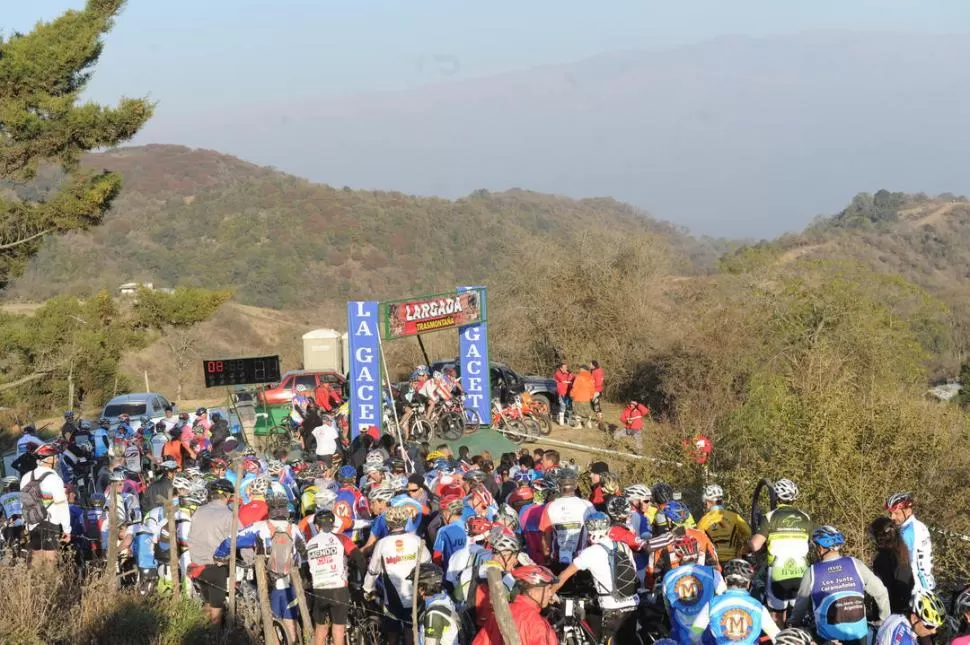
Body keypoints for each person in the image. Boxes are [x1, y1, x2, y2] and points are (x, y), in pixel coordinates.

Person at [215, 494, 306, 644]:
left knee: (270, 621)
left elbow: (231, 541)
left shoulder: (260, 527)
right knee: (290, 620)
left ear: (269, 511)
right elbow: (305, 553)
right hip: (291, 581)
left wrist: (219, 555)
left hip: (268, 581)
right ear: (286, 511)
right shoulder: (294, 529)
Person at [789, 526, 890, 645]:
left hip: (829, 640)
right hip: (859, 636)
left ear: (820, 548)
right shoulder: (855, 564)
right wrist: (884, 620)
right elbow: (881, 591)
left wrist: (794, 623)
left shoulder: (812, 572)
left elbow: (800, 605)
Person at [552, 511, 640, 643]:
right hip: (633, 604)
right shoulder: (624, 546)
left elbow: (564, 576)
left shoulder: (590, 553)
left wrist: (549, 592)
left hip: (612, 608)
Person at [363, 505, 431, 645]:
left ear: (388, 524)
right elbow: (428, 565)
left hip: (392, 597)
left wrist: (367, 588)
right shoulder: (416, 540)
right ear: (406, 522)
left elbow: (373, 570)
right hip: (415, 594)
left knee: (392, 631)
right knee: (410, 629)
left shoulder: (382, 543)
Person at [748, 478, 811, 624]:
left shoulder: (770, 517)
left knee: (777, 618)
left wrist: (748, 542)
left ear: (776, 496)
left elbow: (756, 546)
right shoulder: (805, 517)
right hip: (801, 573)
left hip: (778, 573)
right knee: (798, 617)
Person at [306, 509, 366, 645]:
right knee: (338, 629)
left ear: (317, 526)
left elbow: (305, 567)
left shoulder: (310, 543)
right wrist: (364, 579)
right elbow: (359, 558)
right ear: (333, 524)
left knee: (321, 628)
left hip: (319, 588)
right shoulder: (341, 538)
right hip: (339, 588)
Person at [691, 559, 779, 645]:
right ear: (748, 584)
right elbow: (776, 636)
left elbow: (694, 635)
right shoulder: (758, 607)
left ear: (725, 581)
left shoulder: (712, 604)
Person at [661, 533, 727, 644]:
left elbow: (667, 605)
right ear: (697, 552)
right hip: (707, 626)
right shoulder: (712, 572)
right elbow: (724, 598)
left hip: (681, 626)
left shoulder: (668, 576)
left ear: (677, 555)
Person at [186, 478, 235, 626]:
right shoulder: (228, 515)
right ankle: (216, 637)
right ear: (227, 496)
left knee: (207, 601)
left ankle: (203, 635)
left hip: (197, 565)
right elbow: (239, 538)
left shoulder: (198, 511)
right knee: (216, 609)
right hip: (216, 567)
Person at [472, 564, 559, 645]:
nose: (551, 594)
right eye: (548, 589)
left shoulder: (499, 613)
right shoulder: (538, 624)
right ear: (532, 591)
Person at [21, 441, 71, 567]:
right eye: (55, 457)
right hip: (50, 522)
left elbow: (23, 502)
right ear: (48, 459)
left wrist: (26, 524)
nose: (57, 460)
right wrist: (67, 529)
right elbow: (62, 505)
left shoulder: (26, 477)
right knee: (50, 561)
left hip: (32, 522)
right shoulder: (54, 478)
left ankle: (34, 584)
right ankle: (49, 584)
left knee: (36, 559)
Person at [538, 469, 594, 572]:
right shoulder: (588, 505)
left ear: (559, 486)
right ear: (576, 485)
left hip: (557, 559)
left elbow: (545, 536)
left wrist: (546, 556)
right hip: (583, 559)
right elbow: (594, 533)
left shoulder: (550, 506)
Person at [885, 492, 934, 592]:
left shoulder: (906, 532)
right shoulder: (919, 526)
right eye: (891, 513)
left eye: (896, 513)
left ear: (908, 511)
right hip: (924, 584)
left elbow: (901, 563)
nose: (892, 517)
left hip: (912, 588)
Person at [869, 516, 914, 614]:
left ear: (879, 536)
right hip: (904, 608)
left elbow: (882, 590)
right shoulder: (902, 551)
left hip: (891, 612)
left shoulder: (884, 558)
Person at [697, 485, 751, 562]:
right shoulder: (735, 517)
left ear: (708, 502)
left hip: (713, 564)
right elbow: (749, 536)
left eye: (705, 503)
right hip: (733, 563)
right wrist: (742, 552)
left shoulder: (703, 521)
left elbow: (697, 542)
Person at [873, 589, 946, 645]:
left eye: (936, 627)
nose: (934, 631)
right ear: (914, 618)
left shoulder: (898, 616)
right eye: (929, 626)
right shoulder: (906, 641)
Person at [411, 562, 461, 645]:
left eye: (414, 586)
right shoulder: (444, 597)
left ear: (422, 588)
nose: (413, 590)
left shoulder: (433, 614)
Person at [569, 364, 596, 428]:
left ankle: (578, 425)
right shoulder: (591, 377)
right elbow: (592, 388)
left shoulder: (579, 377)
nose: (579, 370)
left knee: (577, 411)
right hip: (587, 397)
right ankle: (589, 424)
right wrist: (591, 396)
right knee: (587, 411)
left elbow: (575, 387)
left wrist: (571, 394)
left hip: (578, 396)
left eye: (580, 369)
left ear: (582, 369)